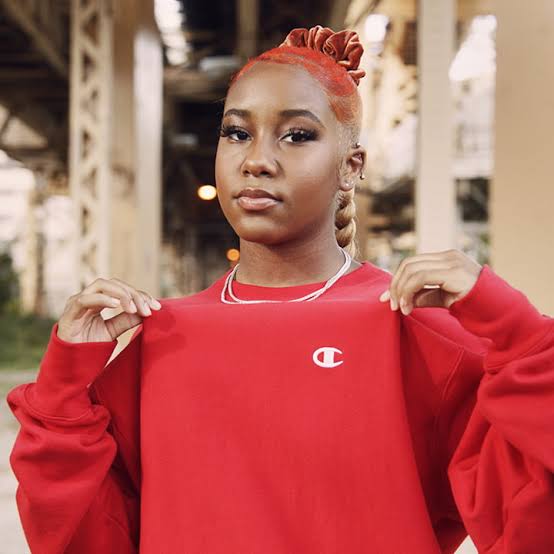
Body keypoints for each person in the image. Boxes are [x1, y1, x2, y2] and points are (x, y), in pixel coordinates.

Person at [6, 24, 554, 554]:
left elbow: (530, 521)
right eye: (236, 133)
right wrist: (64, 386)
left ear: (351, 167)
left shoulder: (413, 328)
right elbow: (82, 536)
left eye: (297, 135)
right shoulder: (161, 338)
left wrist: (520, 337)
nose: (256, 161)